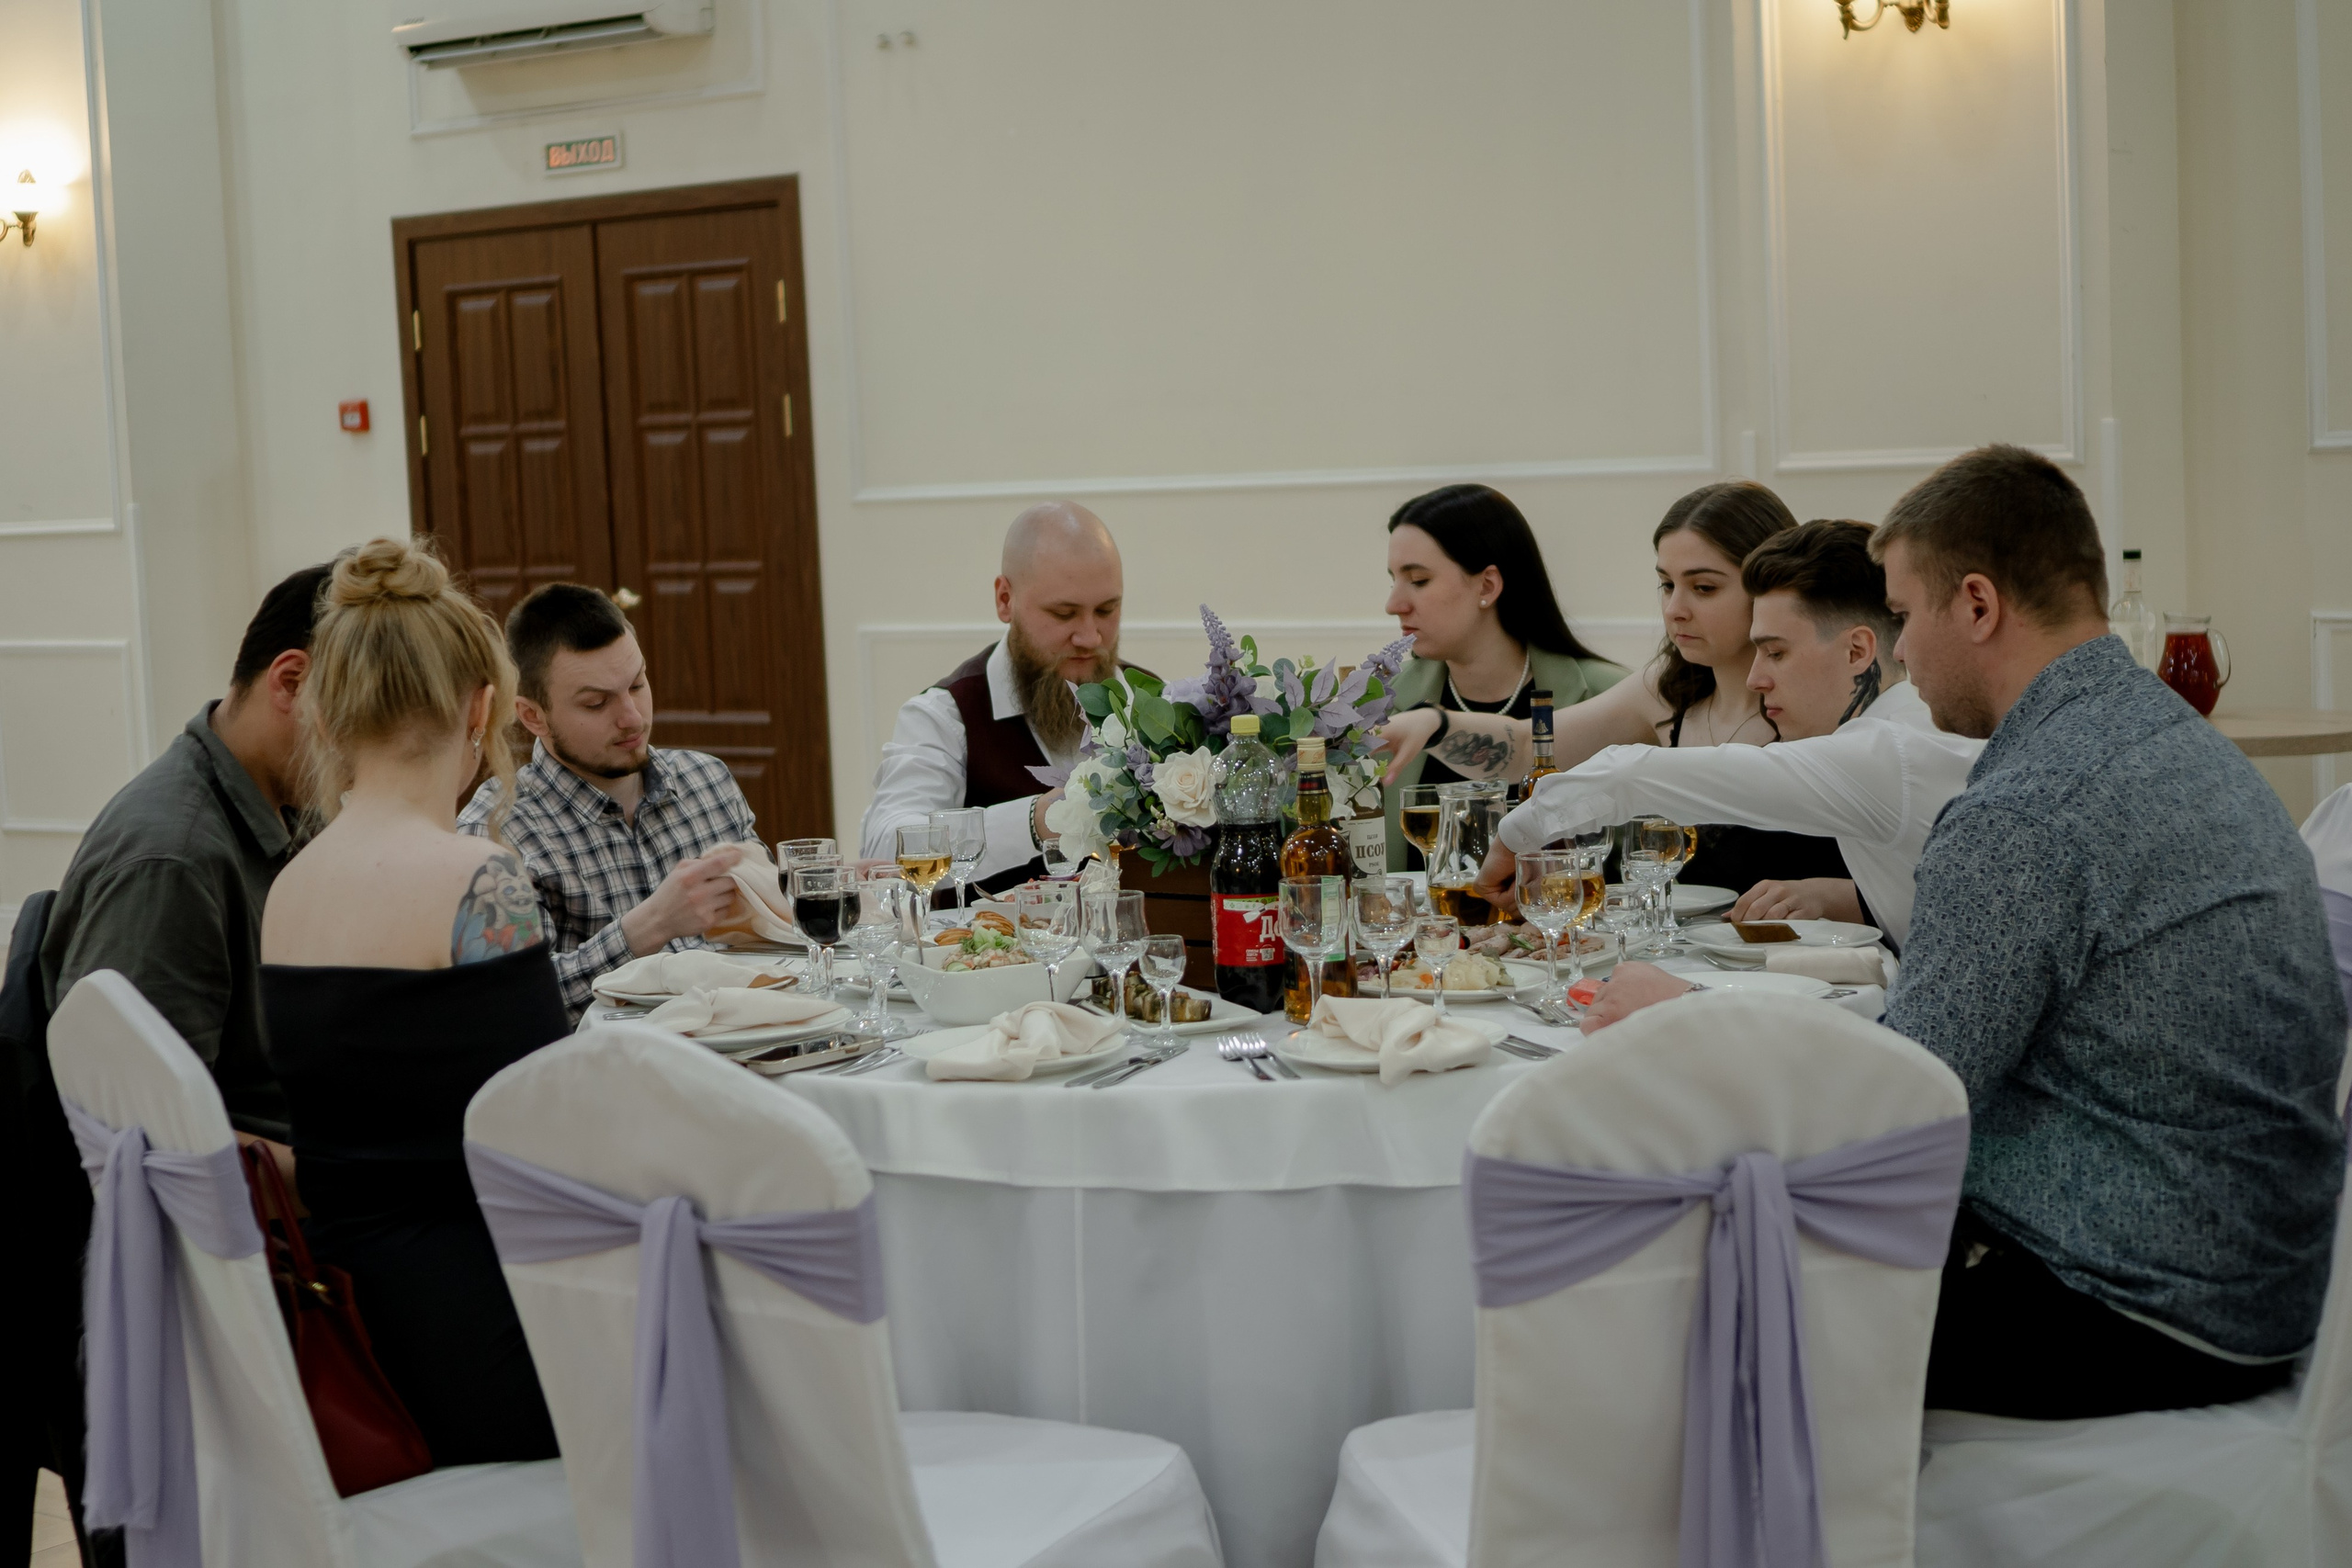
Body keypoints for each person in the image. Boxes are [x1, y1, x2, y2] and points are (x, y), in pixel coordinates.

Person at [1581, 445, 2346, 1419]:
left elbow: (1902, 1099)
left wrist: (1690, 1016)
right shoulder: (2170, 739)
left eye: (1902, 616)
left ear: (1976, 606)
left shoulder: (2025, 808)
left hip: (2131, 1302)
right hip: (2261, 1269)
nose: (1897, 652)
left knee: (1674, 1288)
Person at [261, 537, 560, 1465]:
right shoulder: (479, 877)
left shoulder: (289, 887)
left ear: (333, 710)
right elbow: (549, 1128)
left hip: (340, 1322)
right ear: (481, 708)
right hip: (477, 1326)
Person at [1480, 521, 1982, 948]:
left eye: (1776, 652)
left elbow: (1635, 777)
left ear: (1857, 652)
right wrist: (1841, 896)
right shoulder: (1914, 731)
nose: (1756, 678)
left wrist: (1515, 836)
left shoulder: (1883, 752)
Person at [1378, 481, 1852, 897]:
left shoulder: (1826, 695)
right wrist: (1435, 724)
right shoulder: (1663, 691)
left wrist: (1841, 897)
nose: (1675, 610)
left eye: (1703, 588)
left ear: (1768, 585)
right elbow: (1529, 745)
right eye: (1667, 585)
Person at [42, 559, 335, 1145]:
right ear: (290, 682)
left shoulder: (292, 802)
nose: (372, 752)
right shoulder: (172, 862)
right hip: (266, 1226)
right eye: (366, 719)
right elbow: (145, 1140)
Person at [458, 582, 755, 1018]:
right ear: (532, 716)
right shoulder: (497, 833)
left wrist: (823, 889)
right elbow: (511, 1006)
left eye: (637, 685)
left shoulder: (707, 780)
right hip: (612, 1076)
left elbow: (768, 934)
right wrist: (647, 927)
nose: (632, 717)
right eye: (597, 704)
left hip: (748, 1051)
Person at [861, 501, 1126, 892]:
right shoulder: (945, 715)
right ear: (1005, 599)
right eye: (1064, 614)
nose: (1089, 637)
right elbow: (886, 850)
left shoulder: (1152, 703)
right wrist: (1035, 821)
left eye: (1106, 610)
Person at [1370, 484, 1627, 869]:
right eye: (1393, 579)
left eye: (1419, 580)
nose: (1394, 604)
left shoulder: (1608, 695)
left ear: (1487, 585)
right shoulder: (1380, 706)